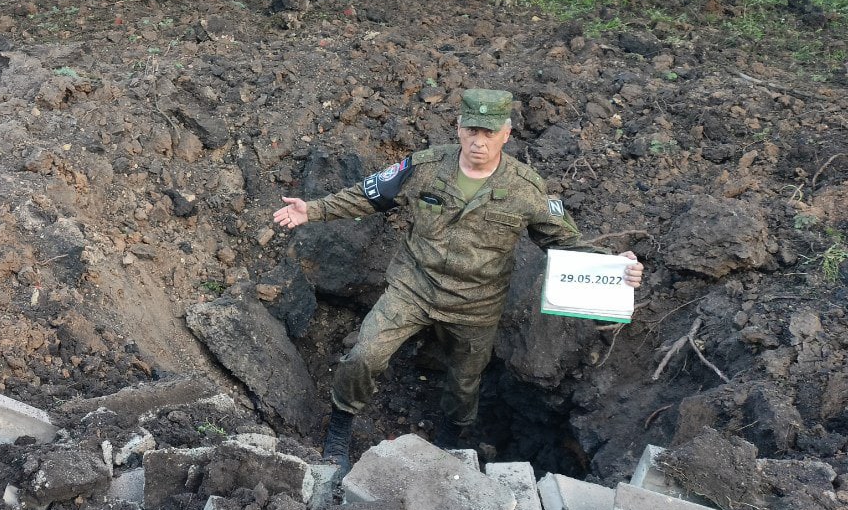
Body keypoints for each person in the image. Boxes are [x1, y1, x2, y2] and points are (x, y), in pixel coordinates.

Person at [272, 89, 643, 472]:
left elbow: (564, 240)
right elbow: (369, 196)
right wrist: (312, 210)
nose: (479, 142)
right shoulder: (426, 167)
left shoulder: (526, 188)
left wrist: (614, 266)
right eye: (472, 131)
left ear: (506, 134)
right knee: (365, 354)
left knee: (465, 384)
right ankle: (340, 427)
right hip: (413, 288)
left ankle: (449, 441)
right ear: (459, 128)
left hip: (476, 304)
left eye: (489, 133)